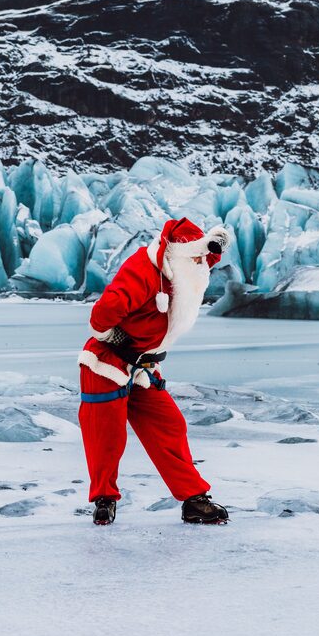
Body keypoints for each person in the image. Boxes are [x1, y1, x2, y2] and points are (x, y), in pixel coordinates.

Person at [77, 217, 232, 526]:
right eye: (198, 257)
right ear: (179, 254)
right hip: (106, 363)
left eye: (204, 259)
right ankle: (104, 501)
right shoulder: (144, 272)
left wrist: (217, 245)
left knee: (169, 426)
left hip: (143, 368)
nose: (204, 264)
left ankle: (193, 501)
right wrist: (111, 335)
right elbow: (102, 313)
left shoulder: (185, 268)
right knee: (105, 435)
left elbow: (202, 257)